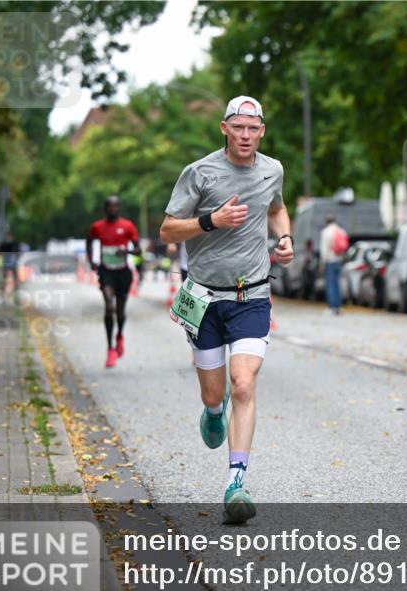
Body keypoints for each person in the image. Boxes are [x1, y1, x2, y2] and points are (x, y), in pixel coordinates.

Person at [160, 95, 294, 524]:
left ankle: (237, 482)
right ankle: (213, 412)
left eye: (253, 129)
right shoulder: (199, 173)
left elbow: (275, 207)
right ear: (224, 128)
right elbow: (167, 230)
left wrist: (285, 237)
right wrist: (210, 222)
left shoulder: (272, 169)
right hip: (204, 298)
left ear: (262, 132)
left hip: (251, 295)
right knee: (215, 393)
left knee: (243, 383)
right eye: (238, 128)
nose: (245, 136)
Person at [86, 196, 140, 368]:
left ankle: (120, 335)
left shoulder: (127, 226)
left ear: (119, 208)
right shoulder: (97, 227)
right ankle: (110, 349)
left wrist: (127, 252)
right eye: (109, 206)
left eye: (115, 206)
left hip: (123, 272)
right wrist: (91, 261)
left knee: (120, 311)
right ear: (105, 209)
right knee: (109, 306)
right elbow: (89, 242)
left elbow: (138, 250)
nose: (112, 209)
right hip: (106, 270)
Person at [319, 215, 347, 314]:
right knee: (337, 284)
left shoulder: (326, 232)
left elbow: (324, 250)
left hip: (330, 261)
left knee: (330, 285)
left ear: (326, 221)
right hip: (339, 260)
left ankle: (332, 307)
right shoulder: (341, 231)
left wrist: (322, 264)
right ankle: (339, 306)